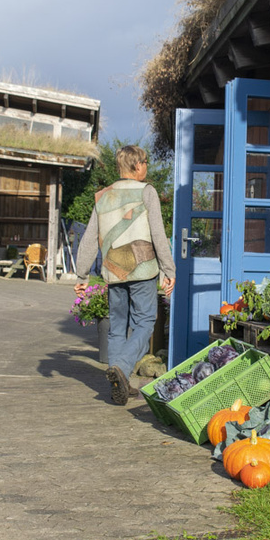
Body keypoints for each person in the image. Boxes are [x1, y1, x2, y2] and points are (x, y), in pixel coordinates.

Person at [74, 145, 176, 405]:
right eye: (145, 163)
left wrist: (82, 275)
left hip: (113, 272)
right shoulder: (147, 192)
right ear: (137, 165)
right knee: (144, 323)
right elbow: (158, 234)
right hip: (142, 271)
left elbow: (88, 240)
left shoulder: (102, 195)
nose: (146, 168)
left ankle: (120, 385)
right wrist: (168, 269)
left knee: (117, 328)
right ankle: (121, 367)